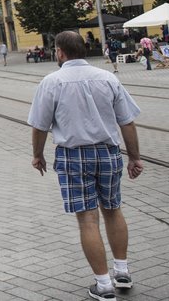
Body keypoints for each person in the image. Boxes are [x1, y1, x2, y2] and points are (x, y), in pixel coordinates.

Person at [28, 31, 144, 301]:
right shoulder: (108, 78)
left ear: (60, 52)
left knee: (88, 220)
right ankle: (123, 272)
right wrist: (135, 157)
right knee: (113, 210)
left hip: (73, 156)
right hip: (108, 153)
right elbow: (127, 121)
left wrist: (38, 155)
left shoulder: (51, 82)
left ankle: (104, 285)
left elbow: (39, 126)